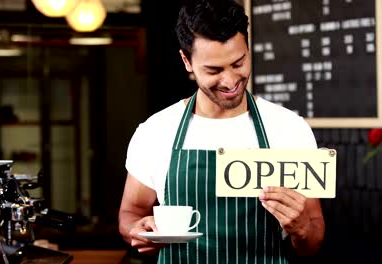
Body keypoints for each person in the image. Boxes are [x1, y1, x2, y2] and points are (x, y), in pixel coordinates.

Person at [118, 0, 325, 262]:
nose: (229, 81)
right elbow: (130, 212)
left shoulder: (289, 129)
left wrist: (303, 229)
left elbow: (314, 238)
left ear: (248, 49)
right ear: (187, 61)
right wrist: (136, 230)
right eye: (213, 70)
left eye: (238, 63)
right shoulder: (156, 131)